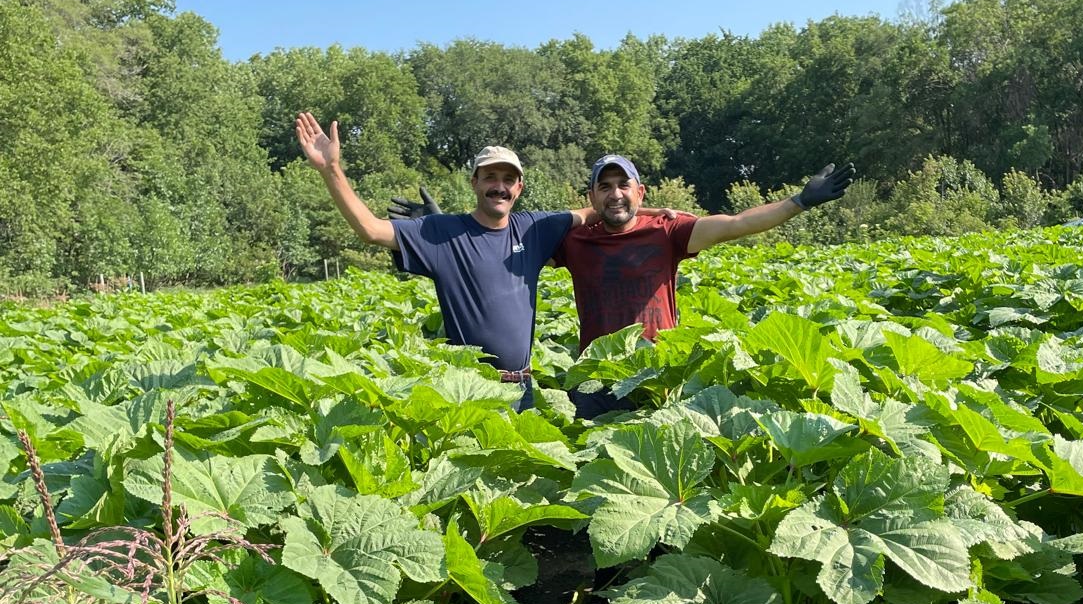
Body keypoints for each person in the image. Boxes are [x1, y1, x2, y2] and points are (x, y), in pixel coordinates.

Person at [295, 111, 578, 411]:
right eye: (490, 177)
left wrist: (631, 208)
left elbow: (590, 213)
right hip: (471, 390)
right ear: (474, 182)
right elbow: (371, 229)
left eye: (508, 179)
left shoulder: (533, 229)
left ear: (519, 187)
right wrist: (331, 169)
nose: (500, 186)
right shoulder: (442, 233)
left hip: (523, 388)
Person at [554, 154, 856, 415]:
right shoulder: (574, 240)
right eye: (604, 187)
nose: (615, 194)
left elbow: (737, 223)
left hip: (657, 376)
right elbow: (521, 236)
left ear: (641, 192)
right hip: (595, 379)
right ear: (591, 197)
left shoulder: (666, 232)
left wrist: (799, 202)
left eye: (623, 185)